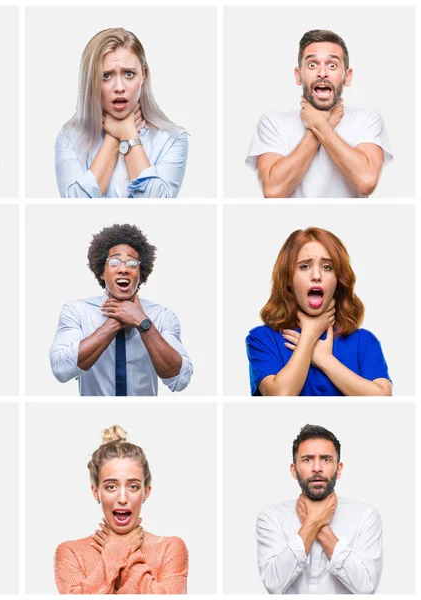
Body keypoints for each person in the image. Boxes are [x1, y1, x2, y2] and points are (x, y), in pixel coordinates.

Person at [246, 29, 391, 198]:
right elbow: (273, 191)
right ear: (298, 75)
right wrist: (320, 128)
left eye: (332, 65)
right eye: (312, 65)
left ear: (347, 76)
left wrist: (320, 125)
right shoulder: (273, 122)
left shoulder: (366, 118)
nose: (322, 73)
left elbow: (366, 181)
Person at [246, 227, 391, 396]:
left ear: (339, 280)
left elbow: (383, 399)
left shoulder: (364, 341)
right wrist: (309, 335)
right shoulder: (262, 339)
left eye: (327, 267)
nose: (316, 275)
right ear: (288, 280)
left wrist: (324, 359)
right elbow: (281, 396)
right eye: (305, 266)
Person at [50, 223, 192, 395]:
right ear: (102, 272)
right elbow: (61, 369)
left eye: (132, 264)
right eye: (115, 262)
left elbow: (181, 380)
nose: (124, 269)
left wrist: (143, 323)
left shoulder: (162, 316)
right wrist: (115, 321)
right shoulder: (77, 311)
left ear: (141, 274)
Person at [55, 28, 188, 198]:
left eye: (129, 74)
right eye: (106, 76)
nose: (119, 87)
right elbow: (76, 208)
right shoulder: (69, 138)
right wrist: (114, 138)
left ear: (144, 75)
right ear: (92, 80)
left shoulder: (172, 138)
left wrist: (128, 134)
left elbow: (157, 207)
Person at [55, 425, 188, 594]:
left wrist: (124, 552)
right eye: (111, 486)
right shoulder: (71, 552)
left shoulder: (170, 548)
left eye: (133, 486)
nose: (123, 498)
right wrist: (116, 551)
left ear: (146, 492)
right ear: (96, 491)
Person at [256, 424, 382, 594]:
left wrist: (317, 525)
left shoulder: (366, 516)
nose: (317, 468)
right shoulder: (271, 517)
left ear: (339, 469)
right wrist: (313, 523)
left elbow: (366, 586)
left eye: (326, 459)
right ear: (294, 471)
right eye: (307, 459)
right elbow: (273, 583)